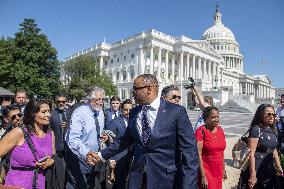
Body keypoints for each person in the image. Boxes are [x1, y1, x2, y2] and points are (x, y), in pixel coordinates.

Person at [89, 74, 198, 189]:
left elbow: (190, 151)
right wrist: (100, 155)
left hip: (166, 179)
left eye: (135, 89)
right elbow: (124, 141)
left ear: (149, 89)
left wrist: (189, 185)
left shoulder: (176, 112)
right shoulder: (134, 112)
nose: (133, 93)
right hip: (138, 179)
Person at [0, 99, 55, 189]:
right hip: (17, 184)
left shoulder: (50, 134)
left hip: (41, 183)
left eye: (49, 111)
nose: (48, 115)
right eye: (44, 112)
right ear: (33, 114)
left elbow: (53, 155)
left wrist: (50, 161)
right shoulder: (18, 132)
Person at [65, 86, 106, 189]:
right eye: (97, 99)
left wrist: (103, 137)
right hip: (79, 157)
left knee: (90, 184)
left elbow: (96, 132)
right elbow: (73, 139)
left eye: (102, 99)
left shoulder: (100, 112)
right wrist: (86, 153)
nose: (100, 102)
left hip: (94, 159)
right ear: (89, 100)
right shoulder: (79, 113)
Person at [238, 104, 283, 189]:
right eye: (268, 114)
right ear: (261, 115)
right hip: (257, 168)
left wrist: (278, 166)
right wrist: (252, 175)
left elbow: (274, 149)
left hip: (269, 168)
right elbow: (251, 153)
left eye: (273, 114)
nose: (271, 116)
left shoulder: (273, 129)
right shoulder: (256, 129)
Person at [195, 106, 227, 189]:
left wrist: (223, 169)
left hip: (218, 170)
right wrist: (203, 176)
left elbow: (221, 152)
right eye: (213, 117)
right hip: (206, 170)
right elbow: (198, 155)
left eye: (217, 117)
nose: (216, 119)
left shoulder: (220, 130)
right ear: (206, 118)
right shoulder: (201, 131)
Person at [105, 99, 134, 189]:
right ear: (121, 110)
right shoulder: (115, 122)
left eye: (130, 110)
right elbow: (109, 141)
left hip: (132, 156)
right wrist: (112, 159)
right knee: (119, 183)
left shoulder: (135, 121)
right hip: (119, 157)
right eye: (125, 110)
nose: (128, 112)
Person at [50, 94, 69, 159]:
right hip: (57, 146)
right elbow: (49, 130)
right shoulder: (51, 114)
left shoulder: (71, 113)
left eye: (63, 101)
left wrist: (68, 125)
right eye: (59, 102)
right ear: (56, 102)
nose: (61, 103)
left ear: (66, 102)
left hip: (70, 146)